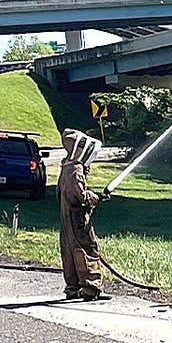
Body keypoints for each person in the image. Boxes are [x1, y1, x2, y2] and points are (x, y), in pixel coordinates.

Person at [57, 128, 109, 301]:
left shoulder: (66, 167)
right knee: (86, 248)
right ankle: (91, 288)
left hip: (67, 218)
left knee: (70, 251)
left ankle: (73, 288)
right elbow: (80, 196)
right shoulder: (75, 170)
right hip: (77, 218)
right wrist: (96, 197)